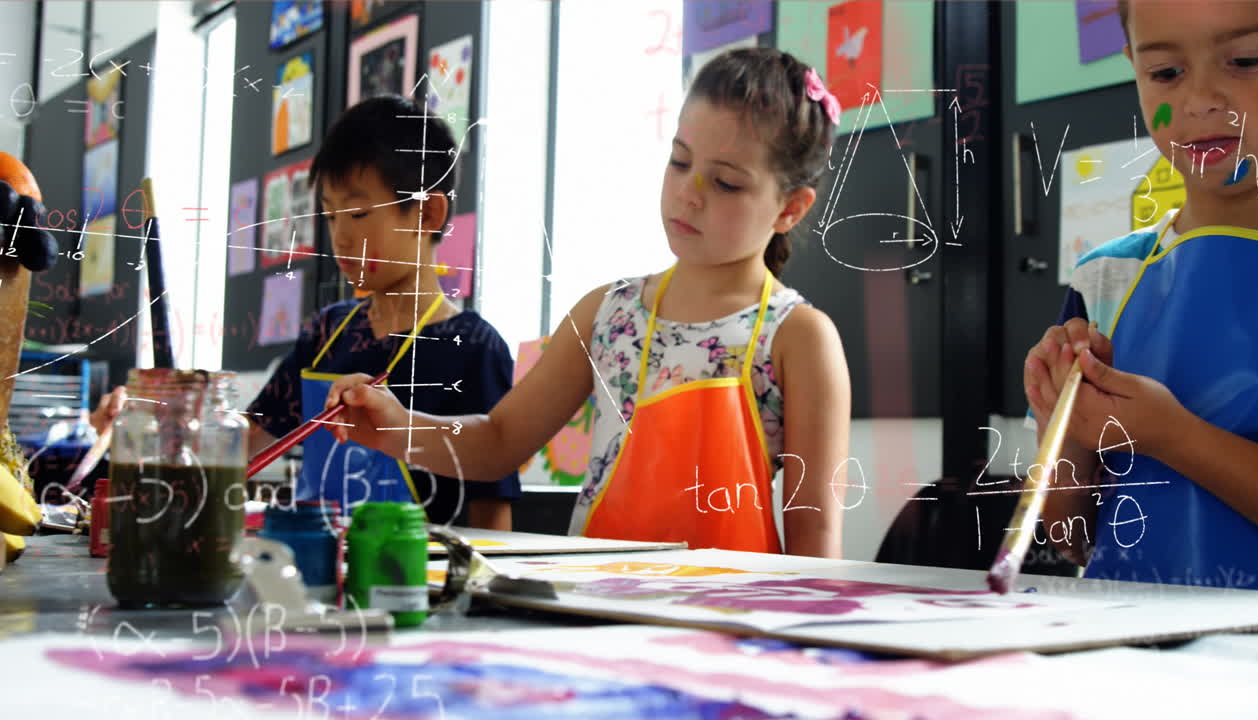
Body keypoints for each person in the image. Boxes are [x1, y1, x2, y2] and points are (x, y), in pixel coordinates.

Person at [324, 48, 852, 557]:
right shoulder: (608, 312)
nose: (690, 193)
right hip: (601, 612)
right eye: (679, 161)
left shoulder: (799, 337)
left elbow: (815, 537)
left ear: (790, 208)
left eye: (726, 183)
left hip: (734, 626)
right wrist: (399, 427)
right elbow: (500, 439)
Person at [96, 97, 521, 529]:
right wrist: (158, 419)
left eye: (357, 213)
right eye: (332, 216)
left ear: (427, 212)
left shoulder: (474, 347)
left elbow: (493, 511)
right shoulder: (328, 331)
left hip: (416, 584)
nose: (341, 237)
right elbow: (243, 442)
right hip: (315, 573)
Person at [1025, 0, 1258, 589]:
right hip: (1134, 658)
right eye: (1165, 73)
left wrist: (1174, 437)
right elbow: (1073, 536)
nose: (1198, 100)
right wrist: (1058, 421)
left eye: (1245, 61)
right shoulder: (1106, 278)